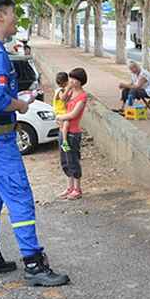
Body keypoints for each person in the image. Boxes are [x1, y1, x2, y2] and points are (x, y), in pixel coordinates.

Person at [0, 0, 68, 286]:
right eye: (12, 14)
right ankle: (34, 263)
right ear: (0, 15)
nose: (15, 19)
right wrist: (21, 105)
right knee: (19, 196)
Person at [56, 67, 88, 201]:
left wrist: (60, 117)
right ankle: (69, 187)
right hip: (63, 130)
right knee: (65, 160)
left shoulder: (82, 96)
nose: (72, 81)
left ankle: (77, 188)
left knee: (73, 160)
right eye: (71, 78)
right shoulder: (72, 92)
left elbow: (75, 114)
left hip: (73, 133)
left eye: (75, 79)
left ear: (80, 81)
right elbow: (62, 100)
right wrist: (68, 88)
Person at [52, 71, 71, 152]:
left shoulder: (61, 89)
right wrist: (69, 89)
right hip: (60, 112)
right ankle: (64, 142)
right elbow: (63, 98)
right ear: (65, 82)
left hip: (60, 111)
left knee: (62, 127)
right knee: (65, 125)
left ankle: (63, 141)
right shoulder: (60, 90)